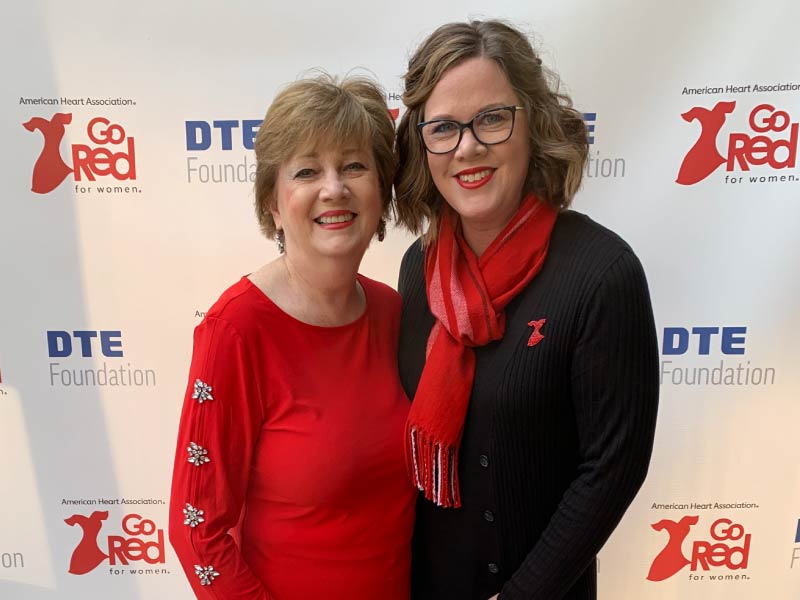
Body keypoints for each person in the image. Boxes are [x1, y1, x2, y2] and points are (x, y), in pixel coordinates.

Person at [395, 20, 659, 600]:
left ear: (532, 122)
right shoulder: (419, 268)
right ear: (423, 143)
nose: (467, 147)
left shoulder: (601, 272)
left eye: (491, 118)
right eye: (443, 128)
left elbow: (612, 468)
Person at [169, 74, 415, 600]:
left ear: (381, 192)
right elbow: (196, 532)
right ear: (274, 204)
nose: (335, 187)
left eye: (354, 166)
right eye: (307, 170)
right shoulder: (235, 330)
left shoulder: (395, 312)